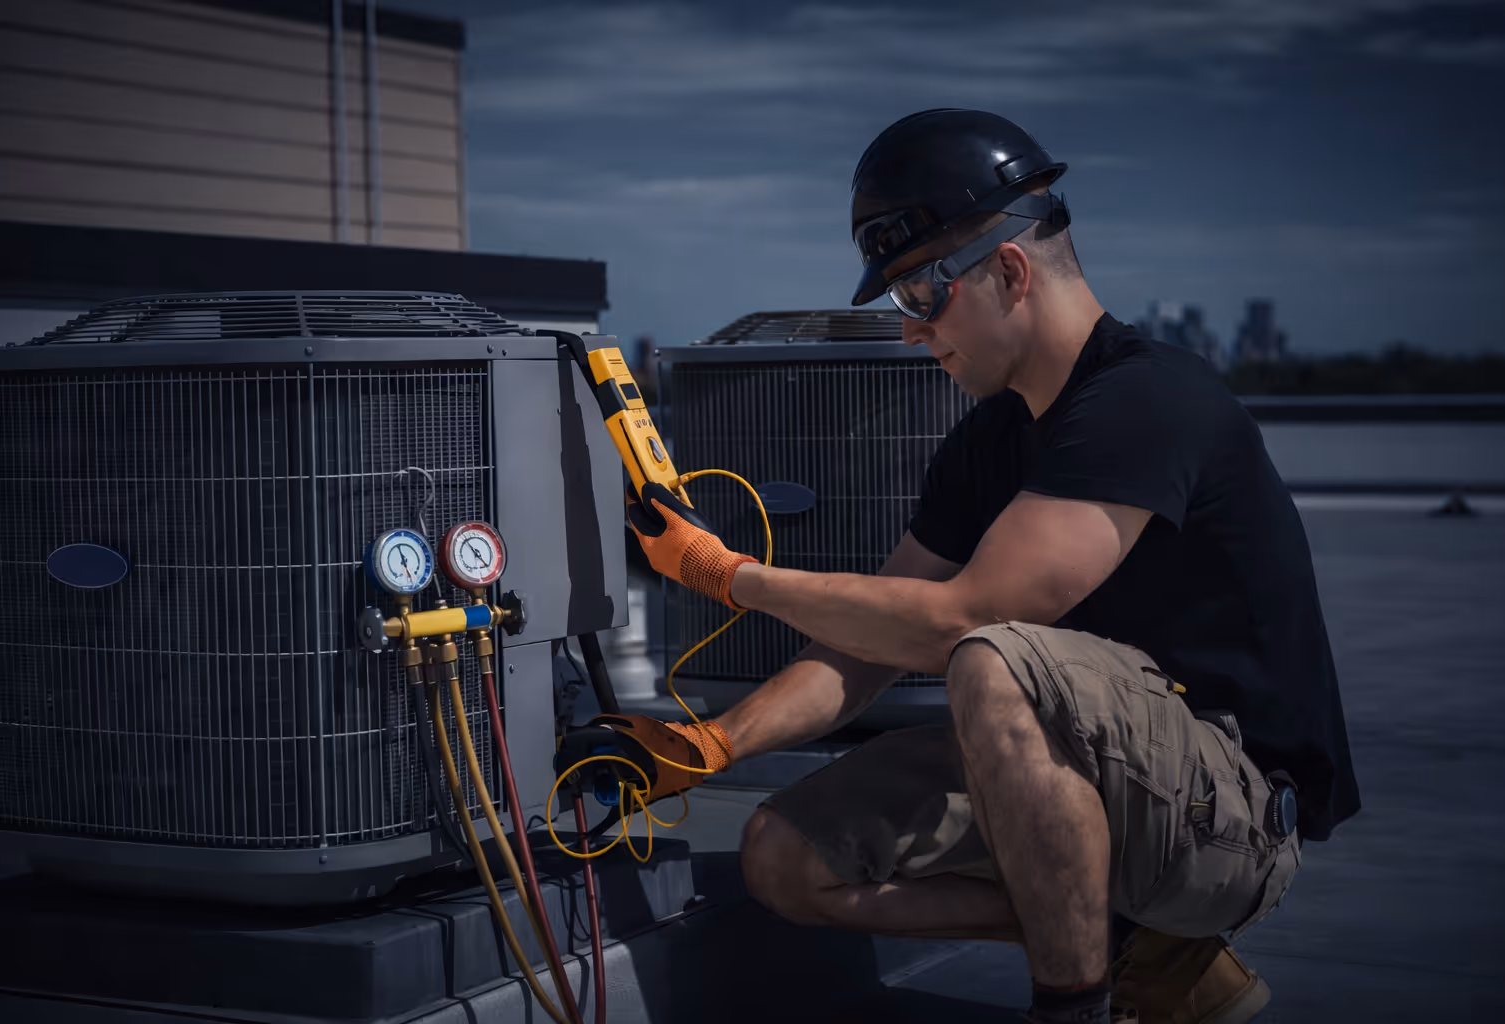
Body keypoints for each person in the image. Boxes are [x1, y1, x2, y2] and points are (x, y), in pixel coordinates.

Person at [562, 108, 1360, 1024]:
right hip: (1111, 779)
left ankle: (1075, 1004)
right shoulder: (989, 441)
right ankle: (1136, 942)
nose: (910, 336)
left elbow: (955, 621)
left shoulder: (1149, 400)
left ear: (1010, 271)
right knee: (783, 857)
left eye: (915, 299)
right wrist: (713, 743)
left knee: (990, 660)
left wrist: (723, 573)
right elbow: (873, 643)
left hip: (1234, 814)